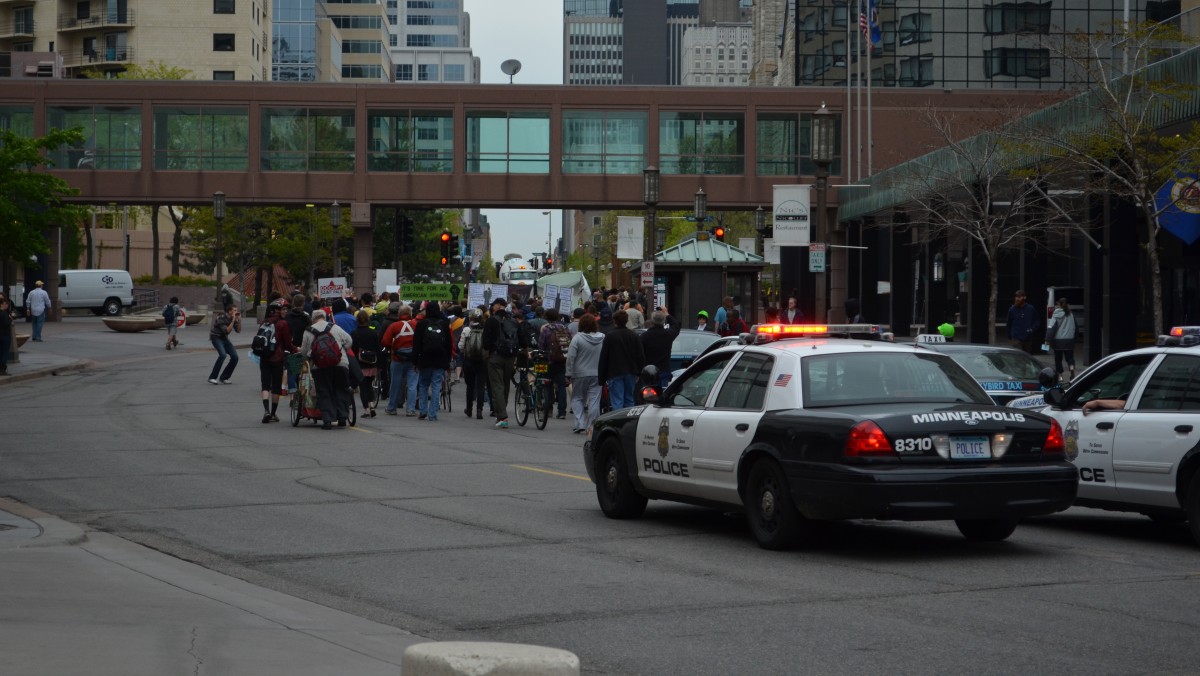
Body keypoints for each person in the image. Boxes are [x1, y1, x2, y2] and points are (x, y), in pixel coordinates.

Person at [301, 309, 354, 429]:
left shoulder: (308, 331)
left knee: (324, 391)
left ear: (313, 319)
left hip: (319, 366)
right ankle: (342, 417)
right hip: (340, 363)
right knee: (341, 389)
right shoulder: (335, 327)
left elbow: (304, 352)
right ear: (324, 317)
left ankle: (327, 420)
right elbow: (349, 341)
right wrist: (342, 351)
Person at [483, 297, 525, 429]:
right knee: (505, 385)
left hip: (495, 356)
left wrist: (489, 350)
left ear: (498, 306)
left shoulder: (491, 321)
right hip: (511, 357)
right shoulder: (513, 321)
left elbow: (486, 341)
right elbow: (523, 341)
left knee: (497, 386)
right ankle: (502, 411)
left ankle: (502, 416)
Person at [597, 309, 645, 410]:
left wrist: (601, 377)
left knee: (617, 400)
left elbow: (604, 357)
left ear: (615, 321)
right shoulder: (634, 335)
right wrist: (639, 372)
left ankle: (618, 422)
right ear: (626, 320)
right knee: (629, 399)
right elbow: (640, 355)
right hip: (631, 371)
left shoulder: (610, 336)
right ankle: (628, 421)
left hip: (614, 371)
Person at [566, 312, 605, 433]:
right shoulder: (603, 337)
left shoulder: (577, 338)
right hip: (597, 373)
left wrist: (568, 373)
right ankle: (592, 425)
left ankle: (580, 423)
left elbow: (571, 357)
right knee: (594, 400)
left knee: (577, 398)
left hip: (580, 373)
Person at [258, 300, 296, 423]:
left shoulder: (264, 322)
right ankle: (273, 414)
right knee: (276, 387)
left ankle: (266, 411)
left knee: (265, 385)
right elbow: (287, 344)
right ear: (277, 311)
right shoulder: (282, 324)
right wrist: (296, 349)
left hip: (264, 357)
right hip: (277, 358)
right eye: (283, 310)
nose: (285, 311)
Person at [413, 301, 452, 422]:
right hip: (440, 359)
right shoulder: (444, 324)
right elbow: (448, 344)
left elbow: (416, 344)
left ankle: (423, 410)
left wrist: (415, 361)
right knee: (436, 386)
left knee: (423, 385)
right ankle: (433, 413)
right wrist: (447, 361)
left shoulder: (422, 324)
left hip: (425, 358)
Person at [381, 304, 417, 416]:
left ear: (399, 314)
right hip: (413, 359)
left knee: (395, 384)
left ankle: (392, 407)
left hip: (397, 358)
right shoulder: (416, 325)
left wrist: (392, 346)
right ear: (410, 314)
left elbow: (385, 342)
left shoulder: (394, 326)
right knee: (412, 385)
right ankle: (410, 409)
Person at [537, 308, 570, 419]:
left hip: (548, 360)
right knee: (561, 386)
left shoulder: (545, 329)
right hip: (561, 360)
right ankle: (562, 412)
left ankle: (549, 409)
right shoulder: (564, 328)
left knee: (547, 385)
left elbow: (541, 346)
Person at [351, 309, 384, 418]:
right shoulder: (373, 333)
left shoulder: (354, 333)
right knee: (369, 385)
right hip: (372, 363)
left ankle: (366, 409)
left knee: (363, 387)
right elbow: (378, 349)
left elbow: (353, 350)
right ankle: (372, 405)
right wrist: (379, 364)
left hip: (360, 364)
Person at [458, 307, 488, 419]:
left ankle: (469, 409)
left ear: (471, 318)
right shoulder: (485, 330)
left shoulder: (466, 330)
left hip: (469, 361)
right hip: (482, 361)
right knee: (481, 386)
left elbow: (460, 346)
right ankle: (479, 409)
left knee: (470, 386)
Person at [641, 308, 681, 389]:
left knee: (647, 395)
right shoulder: (668, 334)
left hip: (648, 372)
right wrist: (667, 314)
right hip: (664, 370)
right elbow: (676, 325)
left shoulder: (644, 336)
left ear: (652, 321)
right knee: (662, 394)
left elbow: (639, 354)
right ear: (663, 321)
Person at [208, 304, 241, 384]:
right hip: (216, 337)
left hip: (225, 339)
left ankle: (224, 377)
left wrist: (239, 320)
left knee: (235, 357)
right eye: (234, 310)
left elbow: (238, 331)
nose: (236, 312)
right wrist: (233, 320)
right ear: (230, 311)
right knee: (223, 355)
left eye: (237, 310)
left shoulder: (233, 318)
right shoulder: (222, 317)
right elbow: (226, 331)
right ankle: (212, 377)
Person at [1048, 297, 1077, 382]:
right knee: (1070, 357)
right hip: (1069, 340)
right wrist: (1074, 338)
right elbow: (1076, 328)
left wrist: (1048, 339)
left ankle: (1060, 375)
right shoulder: (1071, 314)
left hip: (1058, 341)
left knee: (1058, 359)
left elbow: (1051, 328)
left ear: (1059, 304)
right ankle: (1071, 368)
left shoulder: (1056, 314)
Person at [1007, 289, 1039, 354]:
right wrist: (1010, 336)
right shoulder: (1012, 310)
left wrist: (1032, 329)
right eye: (1016, 297)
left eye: (1019, 297)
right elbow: (1009, 324)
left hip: (1027, 337)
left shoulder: (1030, 308)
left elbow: (1036, 320)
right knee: (1018, 357)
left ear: (1024, 297)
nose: (1017, 299)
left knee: (1026, 357)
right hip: (1016, 337)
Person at [0, 294, 13, 376]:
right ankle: (2, 369)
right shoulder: (3, 313)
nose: (6, 305)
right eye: (5, 304)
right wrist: (10, 319)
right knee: (4, 353)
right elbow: (5, 323)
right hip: (4, 335)